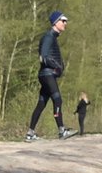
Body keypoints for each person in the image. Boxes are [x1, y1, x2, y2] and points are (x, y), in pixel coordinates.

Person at [26, 11, 76, 141]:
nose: (65, 23)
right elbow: (43, 57)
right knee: (57, 100)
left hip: (46, 74)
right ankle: (61, 131)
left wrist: (59, 67)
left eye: (66, 21)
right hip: (48, 74)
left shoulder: (52, 37)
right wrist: (57, 67)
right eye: (63, 21)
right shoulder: (49, 37)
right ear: (56, 22)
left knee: (41, 104)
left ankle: (30, 133)